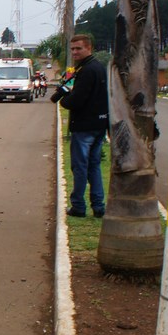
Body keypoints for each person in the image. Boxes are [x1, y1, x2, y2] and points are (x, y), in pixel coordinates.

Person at [51, 33, 109, 218]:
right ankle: (98, 206)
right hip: (99, 124)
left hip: (85, 126)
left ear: (89, 48)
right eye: (73, 49)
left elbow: (77, 99)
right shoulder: (96, 67)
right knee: (93, 166)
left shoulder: (88, 70)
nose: (75, 52)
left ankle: (78, 205)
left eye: (79, 48)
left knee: (80, 167)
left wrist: (64, 100)